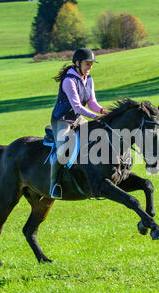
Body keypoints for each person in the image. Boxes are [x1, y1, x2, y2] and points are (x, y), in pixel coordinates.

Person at [49, 48, 109, 199]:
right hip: (62, 120)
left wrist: (101, 110)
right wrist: (94, 116)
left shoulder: (89, 79)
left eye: (91, 64)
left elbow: (91, 102)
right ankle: (53, 184)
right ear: (77, 63)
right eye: (87, 64)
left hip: (77, 118)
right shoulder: (69, 80)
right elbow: (77, 106)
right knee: (63, 152)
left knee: (97, 137)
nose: (90, 67)